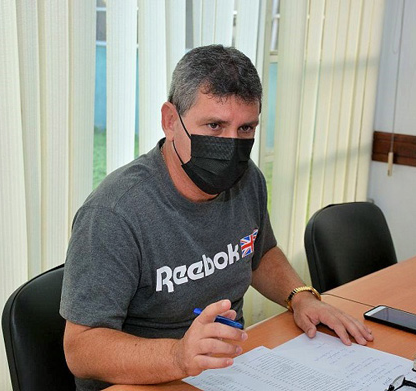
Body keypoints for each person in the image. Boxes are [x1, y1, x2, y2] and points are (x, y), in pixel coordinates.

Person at [60, 45, 373, 391]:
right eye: (214, 125)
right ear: (170, 121)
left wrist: (300, 297)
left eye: (245, 129)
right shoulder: (114, 213)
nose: (231, 146)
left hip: (229, 371)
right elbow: (81, 349)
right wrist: (179, 356)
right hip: (143, 381)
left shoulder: (247, 180)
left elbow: (258, 253)